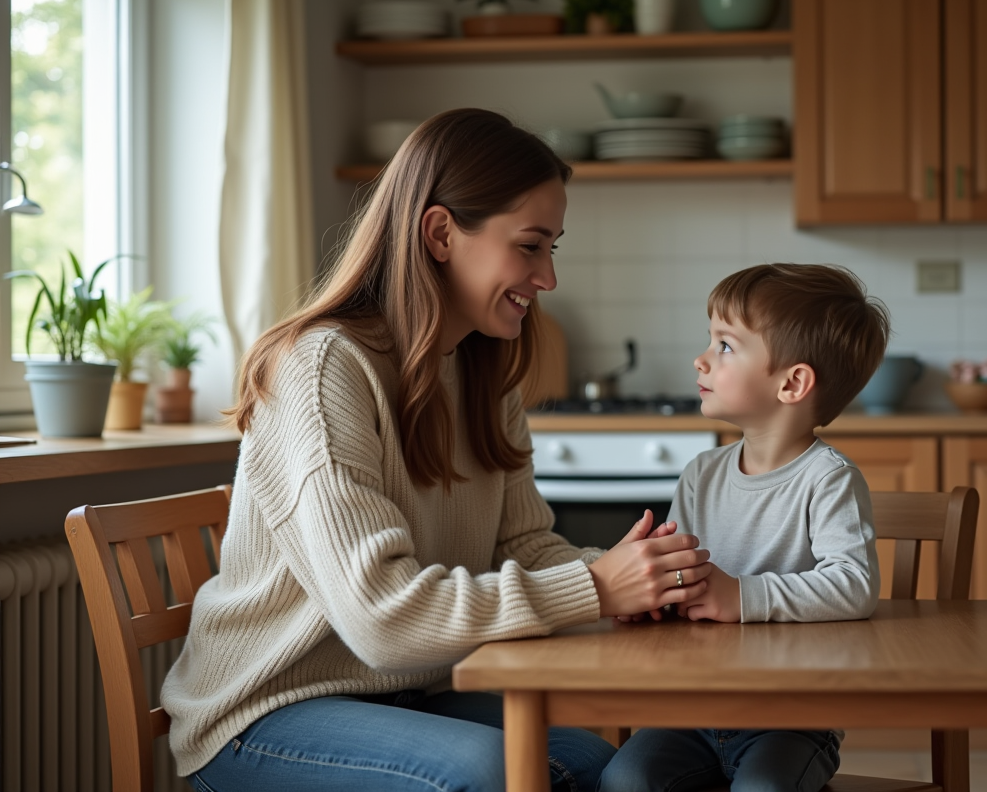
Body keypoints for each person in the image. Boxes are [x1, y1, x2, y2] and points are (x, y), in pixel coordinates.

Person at [161, 108, 713, 792]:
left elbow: (525, 548)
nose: (548, 278)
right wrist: (594, 587)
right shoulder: (320, 369)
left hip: (407, 689)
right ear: (442, 233)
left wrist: (630, 582)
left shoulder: (482, 372)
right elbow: (381, 618)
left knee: (607, 769)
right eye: (530, 245)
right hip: (266, 714)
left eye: (553, 249)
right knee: (486, 775)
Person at [599, 263, 891, 792]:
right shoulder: (700, 474)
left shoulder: (829, 480)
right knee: (624, 779)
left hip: (792, 721)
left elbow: (855, 585)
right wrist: (654, 599)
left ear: (792, 383)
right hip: (692, 710)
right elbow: (684, 578)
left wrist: (742, 596)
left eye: (725, 346)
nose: (702, 358)